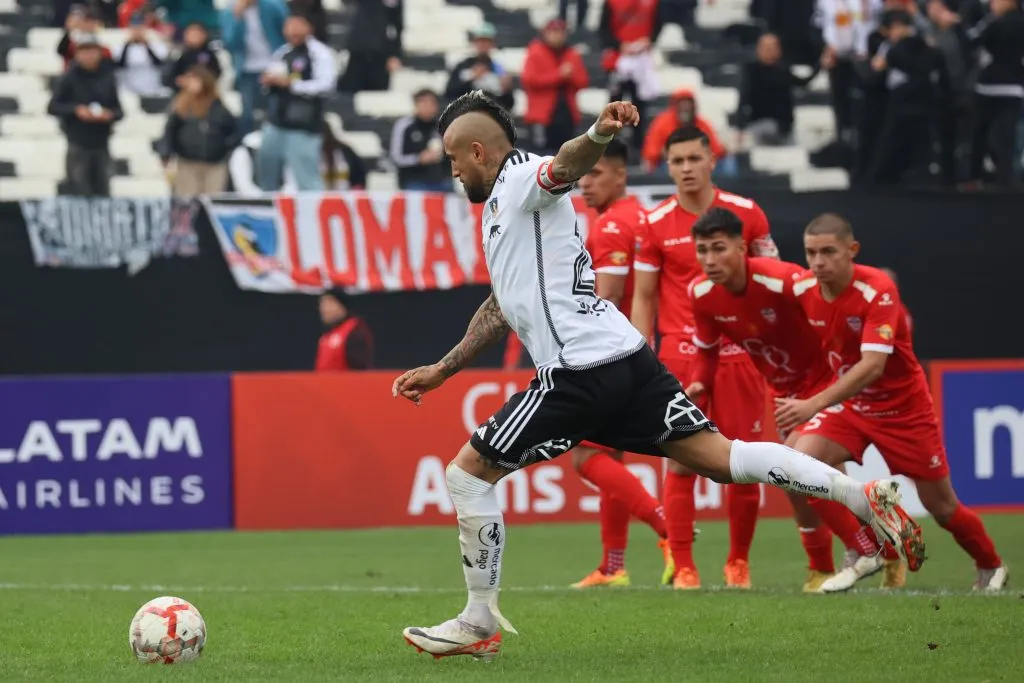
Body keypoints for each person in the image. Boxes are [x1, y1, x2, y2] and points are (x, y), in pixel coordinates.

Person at [393, 91, 924, 661]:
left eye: (453, 157)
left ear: (479, 151)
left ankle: (478, 621)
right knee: (722, 459)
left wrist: (599, 132)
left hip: (578, 368)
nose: (450, 168)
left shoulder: (522, 177)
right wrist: (444, 368)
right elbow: (500, 306)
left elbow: (565, 165)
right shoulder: (503, 209)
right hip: (625, 356)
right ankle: (863, 495)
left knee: (469, 476)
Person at [778, 213, 1006, 592]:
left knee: (943, 507)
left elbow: (872, 366)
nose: (818, 262)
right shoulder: (802, 287)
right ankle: (865, 546)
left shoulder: (878, 289)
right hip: (851, 407)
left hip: (904, 411)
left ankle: (990, 565)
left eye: (828, 252)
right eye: (810, 253)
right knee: (799, 466)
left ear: (852, 251)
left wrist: (812, 403)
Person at [686, 207, 869, 592]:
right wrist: (699, 384)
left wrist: (849, 363)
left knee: (799, 473)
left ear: (741, 247)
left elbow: (834, 310)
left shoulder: (784, 280)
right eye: (701, 250)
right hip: (784, 394)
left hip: (824, 385)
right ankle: (825, 565)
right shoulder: (701, 294)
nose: (709, 260)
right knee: (806, 483)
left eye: (718, 248)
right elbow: (706, 353)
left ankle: (863, 549)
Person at [631, 126, 779, 590]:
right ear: (667, 166)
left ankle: (738, 563)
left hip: (740, 358)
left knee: (746, 462)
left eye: (695, 158)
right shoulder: (654, 224)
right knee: (679, 461)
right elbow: (644, 298)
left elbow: (772, 278)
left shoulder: (748, 215)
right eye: (677, 161)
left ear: (712, 160)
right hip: (678, 356)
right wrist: (639, 358)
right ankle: (685, 567)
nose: (686, 168)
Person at [567, 140, 672, 589]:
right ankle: (613, 566)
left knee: (586, 456)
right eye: (582, 177)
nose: (584, 184)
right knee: (610, 453)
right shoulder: (642, 218)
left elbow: (605, 298)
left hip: (612, 357)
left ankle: (668, 529)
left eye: (594, 175)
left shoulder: (612, 226)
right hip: (645, 354)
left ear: (620, 175)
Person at [258, 13, 337, 191]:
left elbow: (326, 85)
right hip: (277, 121)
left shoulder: (320, 53)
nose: (292, 29)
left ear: (309, 27)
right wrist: (269, 81)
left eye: (297, 24)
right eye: (289, 25)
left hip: (304, 125)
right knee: (266, 169)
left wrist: (293, 85)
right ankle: (268, 209)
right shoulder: (282, 52)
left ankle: (313, 214)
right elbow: (270, 78)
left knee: (306, 178)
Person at [47, 33, 123, 197]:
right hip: (78, 144)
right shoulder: (68, 78)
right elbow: (53, 107)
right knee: (79, 192)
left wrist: (108, 114)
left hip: (102, 144)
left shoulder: (107, 77)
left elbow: (119, 111)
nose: (88, 55)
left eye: (92, 51)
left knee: (103, 192)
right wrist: (76, 110)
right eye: (84, 51)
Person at [159, 65, 240, 196]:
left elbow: (233, 132)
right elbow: (170, 131)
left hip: (215, 163)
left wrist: (224, 148)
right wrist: (166, 154)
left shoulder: (219, 108)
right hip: (187, 162)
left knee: (213, 198)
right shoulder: (181, 107)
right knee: (188, 199)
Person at [520, 19, 590, 155]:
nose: (557, 35)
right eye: (553, 32)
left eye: (561, 32)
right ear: (545, 33)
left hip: (567, 114)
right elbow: (529, 80)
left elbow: (583, 81)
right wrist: (559, 75)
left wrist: (569, 76)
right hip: (542, 115)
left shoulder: (571, 54)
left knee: (567, 156)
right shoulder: (535, 52)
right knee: (539, 156)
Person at [220, 0, 288, 135]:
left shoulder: (274, 5)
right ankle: (246, 147)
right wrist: (237, 18)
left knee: (276, 111)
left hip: (274, 67)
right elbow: (231, 43)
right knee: (247, 113)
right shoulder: (229, 11)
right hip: (247, 69)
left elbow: (287, 31)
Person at [641, 89, 726, 172]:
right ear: (675, 106)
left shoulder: (702, 124)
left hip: (697, 165)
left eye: (688, 104)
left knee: (726, 163)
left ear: (694, 106)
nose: (685, 107)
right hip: (670, 166)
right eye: (682, 104)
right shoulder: (661, 123)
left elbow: (717, 151)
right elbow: (650, 152)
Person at [389, 89, 451, 192]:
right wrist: (418, 159)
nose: (428, 107)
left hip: (442, 181)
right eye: (423, 103)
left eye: (432, 103)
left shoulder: (443, 126)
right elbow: (396, 157)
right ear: (416, 105)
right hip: (414, 181)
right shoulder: (404, 125)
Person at [444, 23, 515, 112]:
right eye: (480, 41)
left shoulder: (499, 69)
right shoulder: (462, 66)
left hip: (492, 116)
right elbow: (450, 93)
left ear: (492, 44)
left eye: (486, 41)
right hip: (466, 114)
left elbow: (509, 104)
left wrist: (506, 91)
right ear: (474, 42)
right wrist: (472, 78)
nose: (483, 44)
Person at [315, 288, 374, 370]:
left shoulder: (354, 331)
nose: (325, 309)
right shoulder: (328, 334)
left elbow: (360, 370)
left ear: (343, 306)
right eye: (322, 305)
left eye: (330, 304)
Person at [163, 22, 223, 92]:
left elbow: (215, 73)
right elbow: (172, 77)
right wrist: (182, 81)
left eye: (196, 34)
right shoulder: (182, 55)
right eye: (190, 34)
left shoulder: (209, 55)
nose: (193, 37)